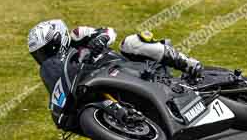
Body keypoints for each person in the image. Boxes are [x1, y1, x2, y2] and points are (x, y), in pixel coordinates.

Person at [27, 19, 203, 96]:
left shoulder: (77, 35)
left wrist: (100, 39)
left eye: (45, 51)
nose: (43, 57)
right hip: (100, 85)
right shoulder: (56, 70)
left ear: (57, 41)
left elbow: (110, 31)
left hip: (126, 67)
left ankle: (188, 64)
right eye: (39, 55)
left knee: (130, 43)